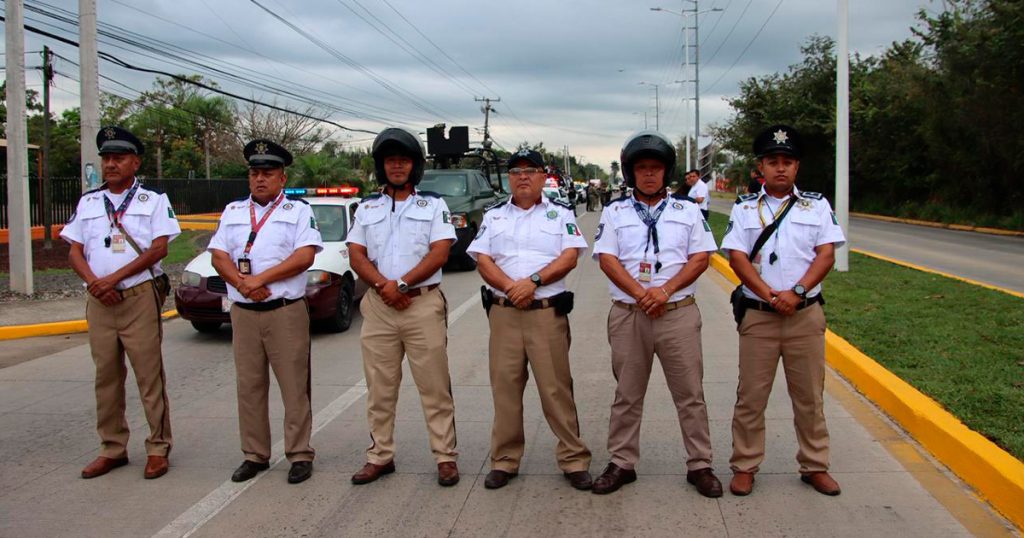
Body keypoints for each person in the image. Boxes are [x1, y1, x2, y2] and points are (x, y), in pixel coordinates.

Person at [590, 130, 722, 497]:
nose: (649, 174)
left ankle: (700, 464)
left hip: (677, 312)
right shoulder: (615, 212)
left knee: (690, 393)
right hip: (630, 314)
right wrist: (640, 293)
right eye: (642, 168)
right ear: (631, 173)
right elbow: (607, 259)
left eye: (656, 168)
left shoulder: (688, 210)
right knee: (627, 394)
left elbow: (700, 258)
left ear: (668, 172)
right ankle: (622, 462)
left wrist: (664, 291)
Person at [721, 124, 847, 497]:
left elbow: (826, 254)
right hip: (760, 315)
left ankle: (814, 465)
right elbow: (737, 257)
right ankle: (744, 465)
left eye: (787, 162)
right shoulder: (745, 208)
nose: (780, 168)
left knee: (809, 395)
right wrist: (769, 294)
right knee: (751, 397)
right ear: (761, 166)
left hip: (804, 314)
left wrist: (796, 292)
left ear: (797, 167)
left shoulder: (817, 205)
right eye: (773, 161)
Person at [466, 148, 592, 491]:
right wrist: (510, 287)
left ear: (543, 176)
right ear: (509, 178)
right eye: (516, 171)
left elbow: (569, 257)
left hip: (546, 314)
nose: (523, 176)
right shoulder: (494, 216)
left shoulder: (560, 214)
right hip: (505, 315)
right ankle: (505, 460)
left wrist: (532, 282)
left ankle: (573, 458)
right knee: (505, 389)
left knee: (556, 389)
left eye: (531, 170)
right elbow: (483, 259)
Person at [62, 126, 179, 480]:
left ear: (135, 162)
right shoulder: (89, 202)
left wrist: (114, 279)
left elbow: (160, 248)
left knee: (149, 376)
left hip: (138, 296)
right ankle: (112, 448)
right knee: (106, 377)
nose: (111, 164)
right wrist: (96, 283)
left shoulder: (153, 200)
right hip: (99, 300)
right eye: (107, 158)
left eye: (119, 158)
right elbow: (75, 250)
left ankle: (158, 447)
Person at [346, 127, 460, 487]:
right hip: (380, 306)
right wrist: (384, 286)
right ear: (381, 166)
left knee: (434, 385)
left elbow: (440, 252)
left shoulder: (434, 205)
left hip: (421, 304)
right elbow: (356, 254)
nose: (397, 166)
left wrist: (403, 284)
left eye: (403, 160)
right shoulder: (367, 208)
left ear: (415, 166)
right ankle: (380, 455)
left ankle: (445, 456)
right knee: (380, 387)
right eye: (390, 160)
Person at [208, 139, 323, 485]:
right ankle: (255, 454)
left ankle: (299, 453)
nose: (260, 178)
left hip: (284, 311)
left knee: (294, 385)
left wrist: (260, 279)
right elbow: (218, 255)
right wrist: (243, 285)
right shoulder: (233, 212)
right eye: (255, 172)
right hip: (244, 311)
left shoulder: (298, 211)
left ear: (282, 178)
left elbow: (305, 256)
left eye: (268, 173)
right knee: (250, 385)